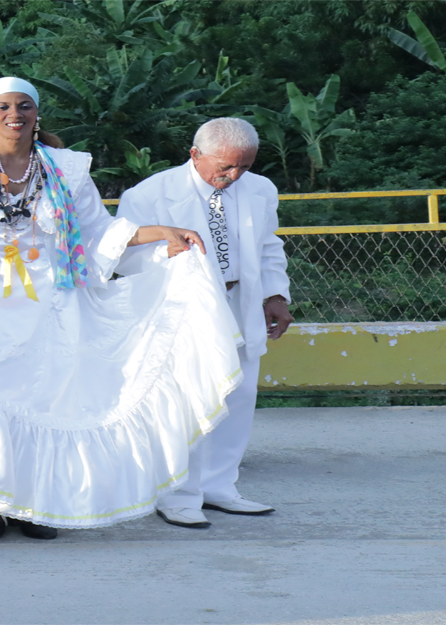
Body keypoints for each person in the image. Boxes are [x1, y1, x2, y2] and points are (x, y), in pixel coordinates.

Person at [0, 77, 240, 536]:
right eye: (3, 107)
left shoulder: (67, 168)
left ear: (37, 114)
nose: (14, 114)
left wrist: (161, 232)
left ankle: (32, 504)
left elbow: (98, 229)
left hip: (55, 304)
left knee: (49, 401)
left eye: (24, 106)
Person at [120, 118, 293, 528]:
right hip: (183, 308)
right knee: (189, 399)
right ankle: (177, 494)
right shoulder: (149, 194)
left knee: (239, 393)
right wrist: (168, 253)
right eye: (225, 167)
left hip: (240, 300)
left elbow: (269, 244)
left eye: (244, 167)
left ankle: (219, 487)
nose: (233, 177)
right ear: (195, 154)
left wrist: (275, 294)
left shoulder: (260, 189)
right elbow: (124, 258)